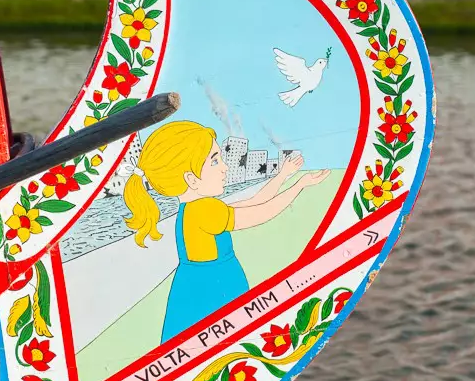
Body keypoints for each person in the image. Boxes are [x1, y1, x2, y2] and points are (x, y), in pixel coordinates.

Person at [122, 120, 330, 343]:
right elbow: (263, 212)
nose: (225, 167)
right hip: (212, 292)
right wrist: (299, 185)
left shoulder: (195, 209)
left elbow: (255, 201)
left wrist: (283, 175)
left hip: (202, 288)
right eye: (215, 161)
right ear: (191, 179)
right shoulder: (203, 210)